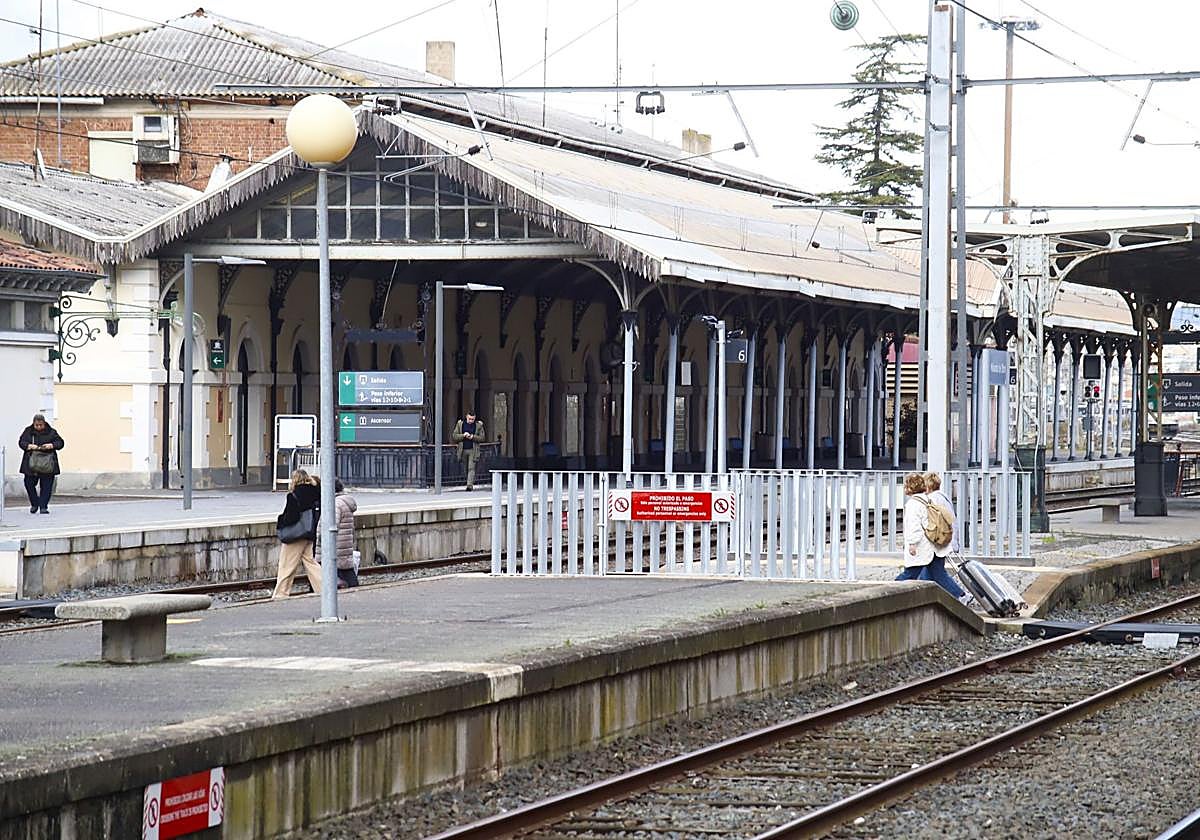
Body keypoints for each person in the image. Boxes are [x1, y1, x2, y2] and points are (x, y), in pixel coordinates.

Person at [918, 472, 969, 602]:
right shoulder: (943, 497)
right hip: (944, 540)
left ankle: (960, 595)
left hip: (938, 541)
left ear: (927, 486)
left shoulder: (933, 500)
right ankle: (924, 597)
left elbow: (933, 523)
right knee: (928, 571)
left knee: (936, 571)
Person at [273, 469, 322, 599]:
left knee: (286, 565)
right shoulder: (316, 493)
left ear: (295, 480)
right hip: (310, 533)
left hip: (296, 535)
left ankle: (280, 594)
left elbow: (291, 517)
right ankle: (325, 588)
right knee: (310, 562)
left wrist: (280, 520)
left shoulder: (294, 496)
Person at [19, 413, 64, 514]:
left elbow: (60, 443)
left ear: (44, 424)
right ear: (33, 424)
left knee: (47, 486)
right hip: (31, 464)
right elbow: (21, 442)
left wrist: (51, 445)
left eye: (41, 425)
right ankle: (35, 503)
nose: (39, 427)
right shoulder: (28, 431)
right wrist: (29, 446)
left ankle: (43, 506)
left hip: (48, 464)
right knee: (29, 484)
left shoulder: (51, 432)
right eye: (37, 425)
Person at [332, 479, 359, 588]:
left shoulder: (336, 504)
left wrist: (321, 538)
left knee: (333, 567)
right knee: (346, 568)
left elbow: (333, 524)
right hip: (345, 541)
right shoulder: (345, 502)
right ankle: (353, 586)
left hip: (337, 542)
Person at [451, 410, 486, 491]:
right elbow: (454, 436)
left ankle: (469, 485)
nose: (471, 421)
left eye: (472, 419)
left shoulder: (478, 426)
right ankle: (468, 480)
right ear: (466, 417)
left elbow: (482, 438)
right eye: (469, 419)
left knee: (471, 467)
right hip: (462, 449)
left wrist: (473, 437)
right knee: (465, 467)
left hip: (473, 450)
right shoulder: (460, 424)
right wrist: (463, 435)